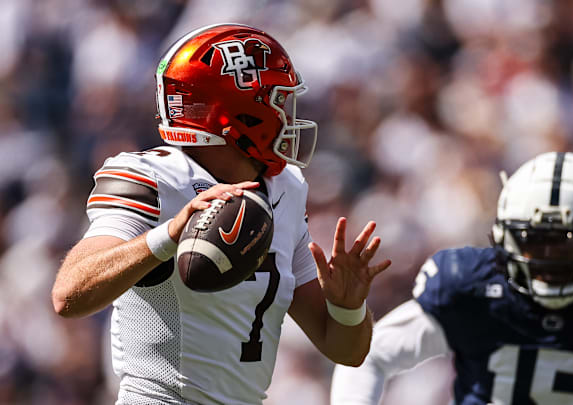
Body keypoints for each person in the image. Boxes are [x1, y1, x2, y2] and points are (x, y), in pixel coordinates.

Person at [51, 23, 391, 405]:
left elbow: (346, 350)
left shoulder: (287, 188)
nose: (288, 115)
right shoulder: (153, 177)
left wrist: (348, 307)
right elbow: (69, 295)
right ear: (239, 114)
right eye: (277, 101)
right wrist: (168, 236)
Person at [331, 151, 573, 405]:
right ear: (503, 237)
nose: (550, 259)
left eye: (568, 245)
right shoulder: (470, 287)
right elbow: (369, 355)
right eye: (534, 241)